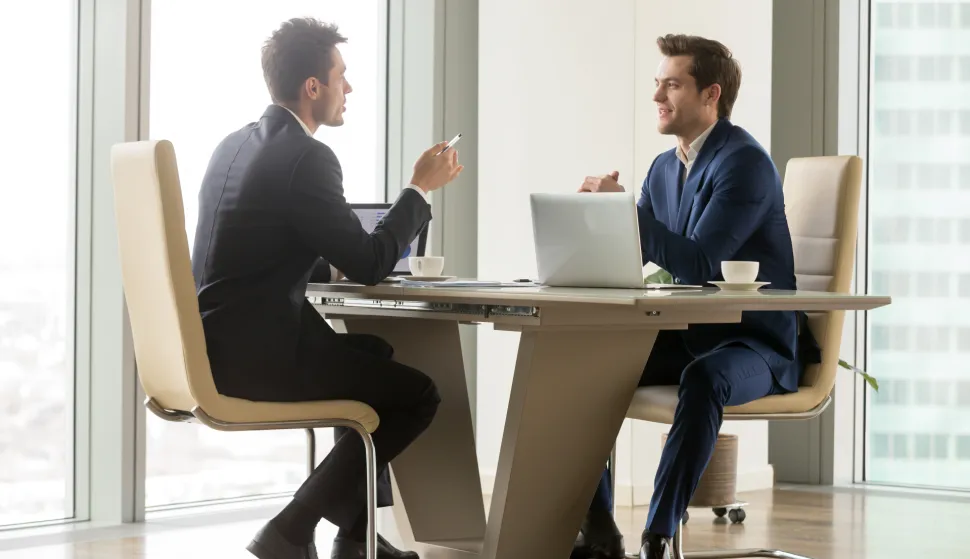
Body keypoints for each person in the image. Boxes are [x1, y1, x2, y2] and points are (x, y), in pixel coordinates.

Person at [191, 17, 463, 559]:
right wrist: (418, 189)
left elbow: (253, 250)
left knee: (373, 355)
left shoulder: (233, 145)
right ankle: (289, 529)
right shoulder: (307, 157)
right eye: (342, 76)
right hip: (255, 358)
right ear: (312, 87)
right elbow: (370, 262)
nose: (350, 88)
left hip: (214, 345)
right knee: (418, 395)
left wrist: (326, 263)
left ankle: (354, 538)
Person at [575, 34, 818, 559]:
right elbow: (636, 254)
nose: (658, 96)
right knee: (587, 369)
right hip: (691, 334)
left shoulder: (745, 163)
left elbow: (702, 263)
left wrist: (629, 217)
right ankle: (597, 531)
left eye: (672, 84)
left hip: (754, 345)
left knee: (704, 378)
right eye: (657, 84)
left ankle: (658, 536)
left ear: (711, 94)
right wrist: (592, 229)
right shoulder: (664, 169)